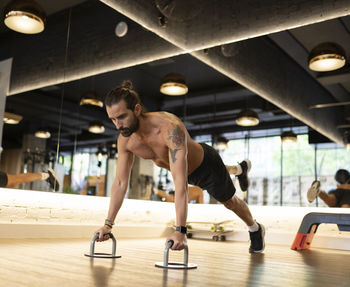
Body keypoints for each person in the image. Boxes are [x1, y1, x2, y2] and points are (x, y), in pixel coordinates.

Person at [95, 80, 265, 253]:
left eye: (122, 117)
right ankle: (240, 169)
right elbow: (120, 183)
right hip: (187, 170)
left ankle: (255, 228)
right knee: (221, 171)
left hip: (207, 165)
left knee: (230, 202)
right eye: (113, 119)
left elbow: (180, 182)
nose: (117, 125)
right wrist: (108, 224)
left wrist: (180, 231)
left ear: (137, 110)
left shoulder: (170, 128)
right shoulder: (125, 140)